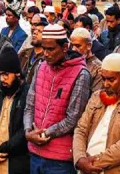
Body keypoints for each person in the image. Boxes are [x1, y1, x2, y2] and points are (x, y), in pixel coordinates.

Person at [24, 23, 91, 173]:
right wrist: (28, 131)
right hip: (35, 153)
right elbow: (29, 105)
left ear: (65, 47)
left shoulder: (81, 74)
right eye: (44, 48)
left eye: (51, 49)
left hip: (60, 159)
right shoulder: (40, 67)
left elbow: (73, 118)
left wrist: (45, 134)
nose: (46, 54)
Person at [72, 53, 120, 174]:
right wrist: (79, 158)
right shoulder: (97, 97)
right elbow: (81, 130)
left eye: (111, 80)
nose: (105, 84)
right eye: (103, 79)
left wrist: (93, 163)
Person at [69, 27, 102, 93]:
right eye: (72, 45)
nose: (73, 49)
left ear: (89, 46)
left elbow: (95, 95)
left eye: (78, 46)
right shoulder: (69, 62)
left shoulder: (98, 68)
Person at [19, 14, 47, 85]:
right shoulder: (24, 53)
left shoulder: (47, 58)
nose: (35, 32)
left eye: (39, 31)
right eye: (35, 30)